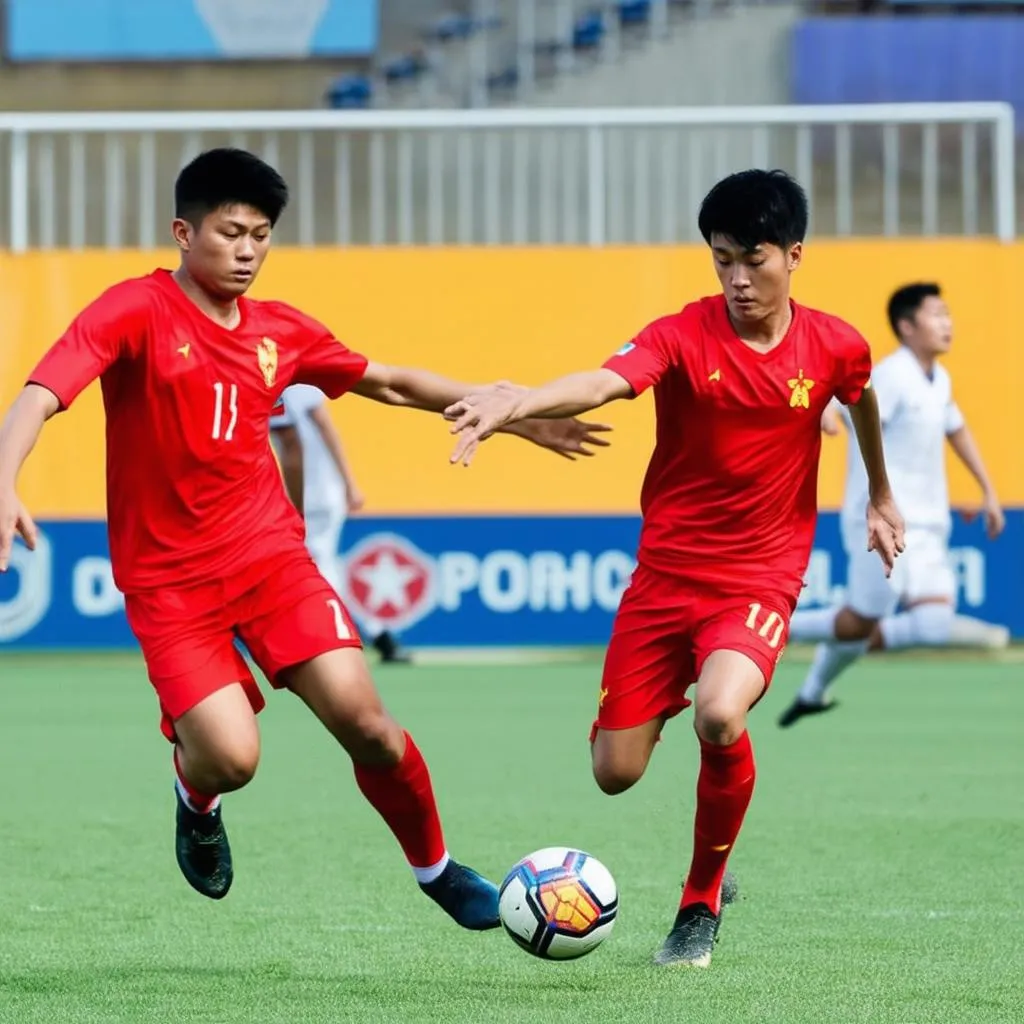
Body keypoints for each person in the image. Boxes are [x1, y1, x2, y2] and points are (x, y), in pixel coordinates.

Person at [0, 148, 610, 924]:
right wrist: (4, 478)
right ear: (183, 233)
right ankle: (196, 795)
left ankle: (436, 869)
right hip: (169, 586)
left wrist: (517, 414)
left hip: (271, 561)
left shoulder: (280, 330)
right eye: (230, 232)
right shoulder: (132, 310)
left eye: (261, 235)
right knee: (233, 758)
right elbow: (39, 396)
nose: (248, 250)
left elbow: (389, 381)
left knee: (369, 726)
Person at [444, 169, 905, 968]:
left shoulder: (836, 344)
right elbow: (603, 382)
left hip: (759, 575)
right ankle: (656, 747)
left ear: (794, 255)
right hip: (663, 579)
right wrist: (515, 404)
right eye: (721, 259)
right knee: (614, 773)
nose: (735, 279)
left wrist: (881, 497)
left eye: (751, 260)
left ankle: (701, 901)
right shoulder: (682, 334)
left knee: (721, 714)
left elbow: (858, 396)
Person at [778, 282, 1006, 729]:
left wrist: (988, 489)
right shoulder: (893, 374)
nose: (947, 323)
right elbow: (852, 406)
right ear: (907, 326)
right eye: (936, 314)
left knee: (934, 625)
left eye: (947, 314)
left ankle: (810, 691)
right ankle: (774, 632)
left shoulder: (939, 380)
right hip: (880, 521)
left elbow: (956, 429)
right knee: (859, 622)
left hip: (929, 525)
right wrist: (823, 407)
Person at [270, 384, 413, 664]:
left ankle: (373, 635)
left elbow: (302, 442)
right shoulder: (298, 381)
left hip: (309, 497)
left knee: (317, 569)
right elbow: (327, 430)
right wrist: (348, 483)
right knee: (321, 567)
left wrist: (347, 485)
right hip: (323, 491)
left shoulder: (280, 383)